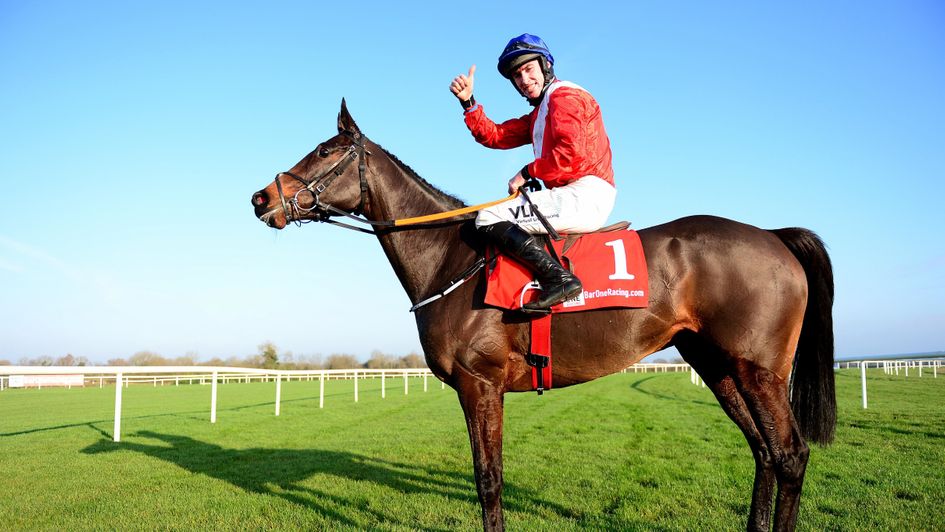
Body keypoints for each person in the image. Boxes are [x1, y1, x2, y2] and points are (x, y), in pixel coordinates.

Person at [449, 33, 616, 313]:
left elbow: (571, 154)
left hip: (585, 194)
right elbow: (496, 135)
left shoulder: (565, 97)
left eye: (528, 69)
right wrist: (469, 103)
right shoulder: (541, 111)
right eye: (517, 76)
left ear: (545, 66)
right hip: (571, 193)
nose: (524, 80)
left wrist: (527, 172)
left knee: (488, 216)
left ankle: (559, 279)